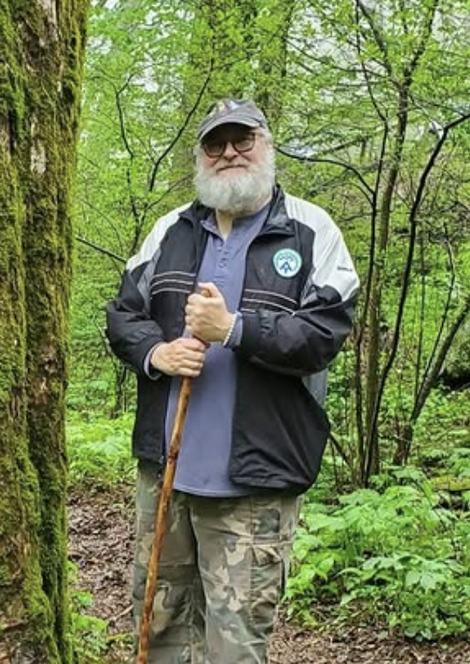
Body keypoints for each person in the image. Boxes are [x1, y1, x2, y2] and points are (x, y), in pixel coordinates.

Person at [105, 98, 359, 664]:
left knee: (236, 640)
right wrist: (157, 352)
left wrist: (236, 329)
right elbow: (123, 315)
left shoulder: (311, 231)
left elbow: (323, 334)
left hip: (255, 481)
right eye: (215, 145)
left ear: (268, 147)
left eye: (242, 140)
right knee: (160, 621)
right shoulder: (170, 230)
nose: (229, 154)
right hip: (166, 475)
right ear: (199, 157)